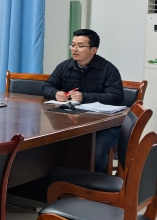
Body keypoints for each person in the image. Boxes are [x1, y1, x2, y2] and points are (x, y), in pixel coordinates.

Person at [42, 29, 124, 172]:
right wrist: (55, 94)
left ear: (93, 50)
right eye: (73, 45)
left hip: (105, 125)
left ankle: (97, 183)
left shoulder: (108, 70)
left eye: (80, 46)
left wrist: (84, 97)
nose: (74, 49)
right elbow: (47, 86)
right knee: (52, 146)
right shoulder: (64, 66)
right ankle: (61, 179)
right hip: (72, 121)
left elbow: (116, 97)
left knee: (96, 152)